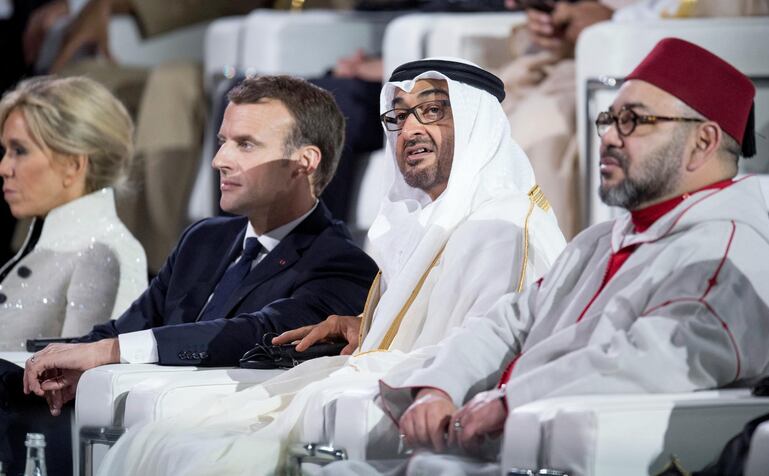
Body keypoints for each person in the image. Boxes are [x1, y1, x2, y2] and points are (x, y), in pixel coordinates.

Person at [93, 57, 567, 476]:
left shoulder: (505, 227)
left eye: (434, 110)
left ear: (477, 122)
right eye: (398, 117)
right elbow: (439, 324)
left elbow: (490, 358)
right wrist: (365, 326)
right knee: (164, 439)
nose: (411, 129)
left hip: (435, 415)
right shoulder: (431, 226)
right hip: (376, 387)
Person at [377, 38, 769, 472]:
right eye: (609, 119)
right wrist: (438, 386)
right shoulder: (599, 241)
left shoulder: (730, 260)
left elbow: (648, 363)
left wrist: (508, 402)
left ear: (703, 142)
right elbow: (510, 324)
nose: (610, 137)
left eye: (634, 121)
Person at [0, 74, 377, 475]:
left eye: (245, 144)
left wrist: (107, 353)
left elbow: (257, 333)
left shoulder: (341, 264)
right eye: (222, 141)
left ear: (304, 163)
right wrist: (54, 364)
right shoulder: (204, 240)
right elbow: (124, 330)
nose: (219, 160)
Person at [0, 76, 147, 350]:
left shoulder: (104, 252)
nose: (4, 168)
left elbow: (77, 384)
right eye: (6, 150)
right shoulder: (54, 244)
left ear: (73, 165)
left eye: (19, 151)